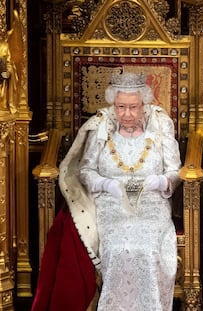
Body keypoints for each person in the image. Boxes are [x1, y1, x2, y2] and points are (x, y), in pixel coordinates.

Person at [32, 71, 181, 311]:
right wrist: (106, 185)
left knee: (146, 248)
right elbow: (86, 170)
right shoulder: (101, 125)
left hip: (151, 204)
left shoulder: (161, 125)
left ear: (144, 104)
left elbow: (175, 171)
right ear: (113, 103)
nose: (127, 114)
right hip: (111, 203)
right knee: (119, 248)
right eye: (121, 106)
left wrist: (160, 182)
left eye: (133, 107)